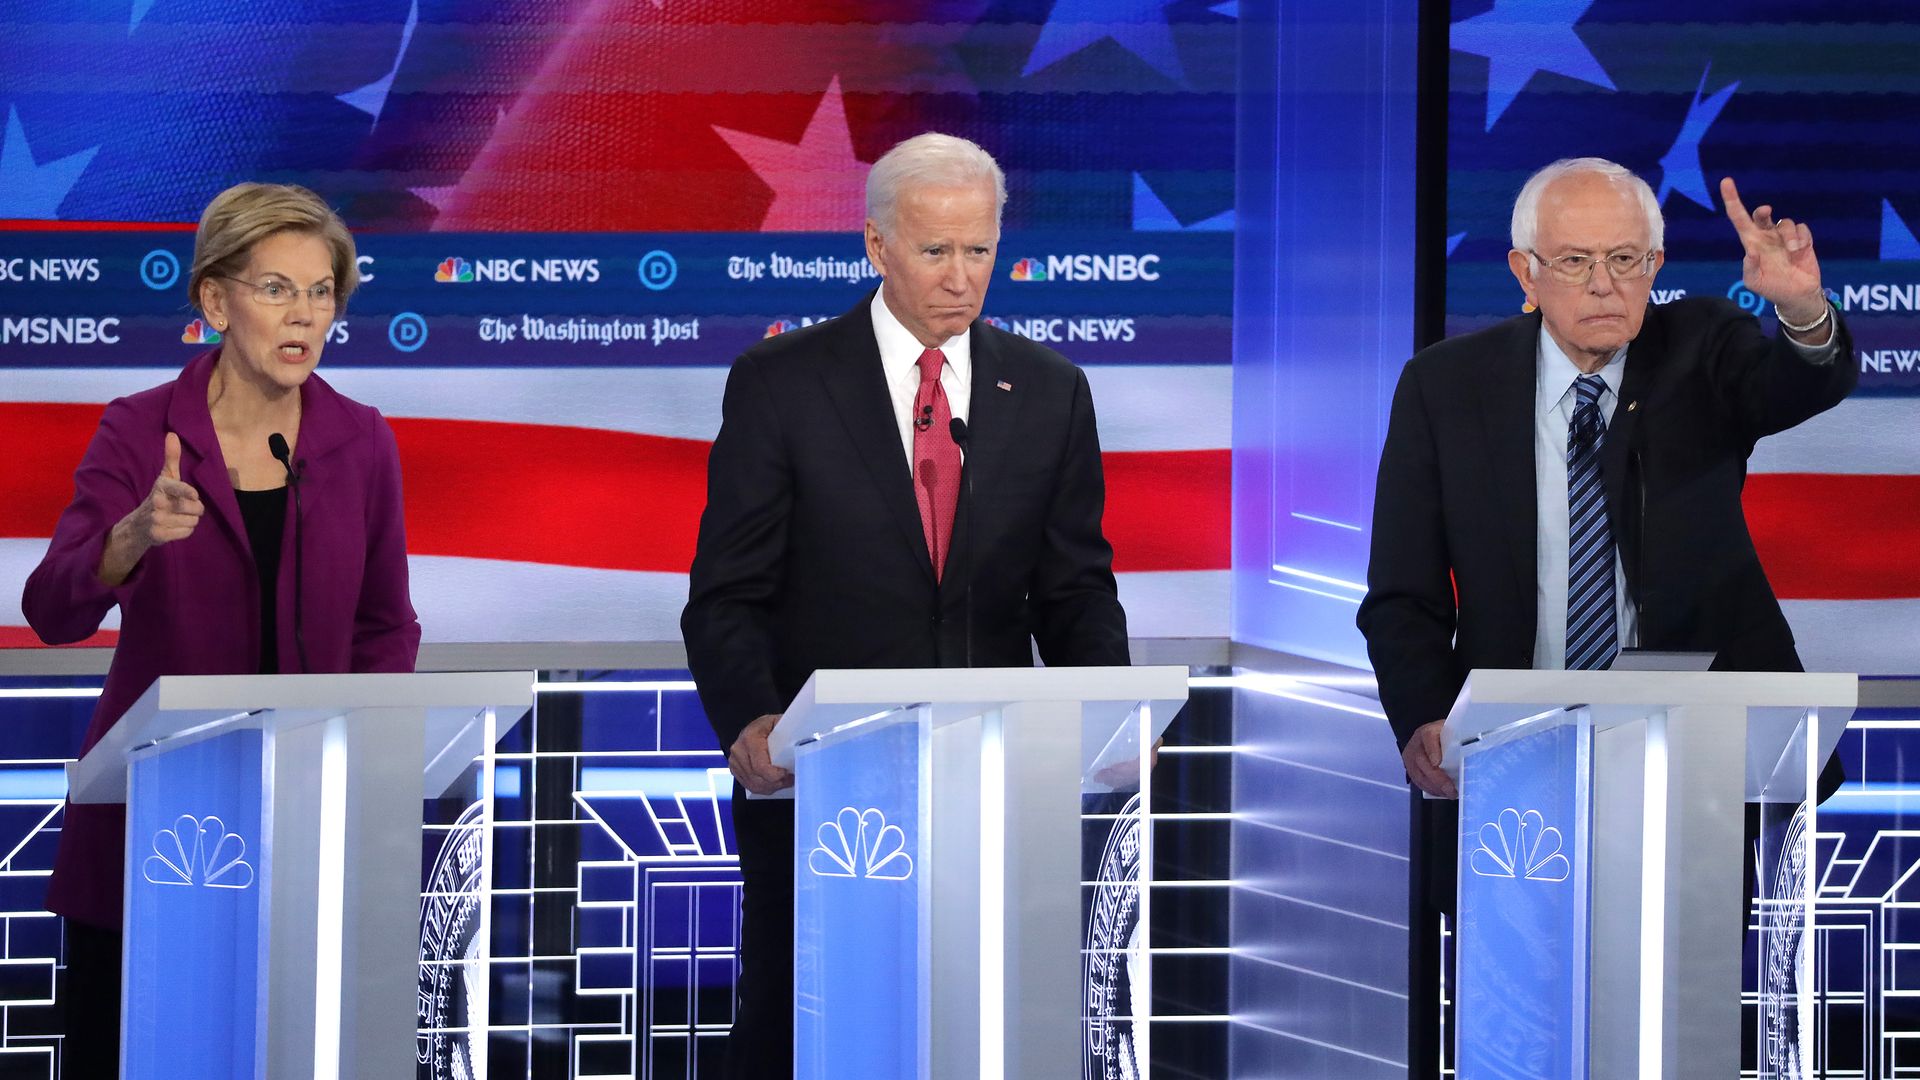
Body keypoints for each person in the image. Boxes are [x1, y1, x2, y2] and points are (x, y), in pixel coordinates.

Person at [1357, 158, 1855, 1074]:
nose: (1603, 285)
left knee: (1674, 1018)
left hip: (1694, 754)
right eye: (1576, 261)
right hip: (1514, 757)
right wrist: (1423, 712)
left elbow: (1796, 384)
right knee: (1525, 1019)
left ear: (1656, 265)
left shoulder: (1702, 347)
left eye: (1626, 260)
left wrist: (1803, 314)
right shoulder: (1445, 386)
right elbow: (1402, 589)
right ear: (1524, 271)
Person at [681, 132, 1131, 1077]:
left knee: (976, 1023)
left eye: (979, 250)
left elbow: (1075, 588)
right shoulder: (782, 382)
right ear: (877, 246)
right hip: (818, 779)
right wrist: (751, 720)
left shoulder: (1050, 391)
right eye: (934, 251)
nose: (960, 278)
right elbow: (727, 593)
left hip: (990, 778)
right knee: (798, 1022)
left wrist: (1110, 713)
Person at [22, 182, 420, 1076]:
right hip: (156, 834)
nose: (305, 314)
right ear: (214, 300)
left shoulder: (362, 441)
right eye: (276, 288)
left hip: (306, 831)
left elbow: (385, 626)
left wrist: (364, 760)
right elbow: (51, 609)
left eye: (322, 292)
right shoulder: (139, 431)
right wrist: (130, 537)